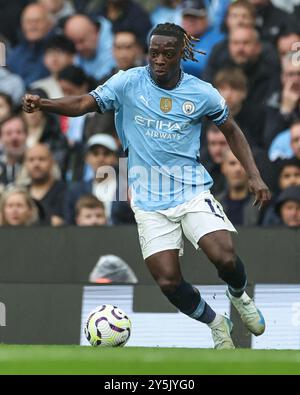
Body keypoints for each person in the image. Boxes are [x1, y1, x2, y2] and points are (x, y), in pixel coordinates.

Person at [23, 22, 271, 349]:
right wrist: (45, 104)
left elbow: (232, 131)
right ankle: (216, 322)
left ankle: (239, 297)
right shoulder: (128, 82)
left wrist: (253, 174)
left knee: (224, 256)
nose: (159, 60)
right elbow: (85, 103)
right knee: (168, 280)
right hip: (148, 199)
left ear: (182, 54)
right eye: (154, 53)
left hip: (191, 191)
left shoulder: (201, 92)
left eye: (168, 54)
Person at [7, 3, 55, 86]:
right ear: (22, 25)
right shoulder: (16, 53)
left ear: (49, 24)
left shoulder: (58, 48)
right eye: (28, 22)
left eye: (37, 21)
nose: (33, 26)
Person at [64, 14, 115, 81]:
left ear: (94, 31)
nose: (78, 47)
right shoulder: (75, 56)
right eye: (74, 43)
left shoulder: (116, 43)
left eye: (81, 41)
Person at [24, 143, 66, 226]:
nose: (36, 164)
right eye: (31, 160)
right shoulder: (21, 193)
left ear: (52, 162)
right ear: (25, 164)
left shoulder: (66, 191)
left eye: (41, 159)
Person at [217, 149, 260, 226]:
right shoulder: (213, 204)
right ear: (223, 167)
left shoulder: (261, 205)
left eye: (243, 164)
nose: (238, 169)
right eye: (232, 163)